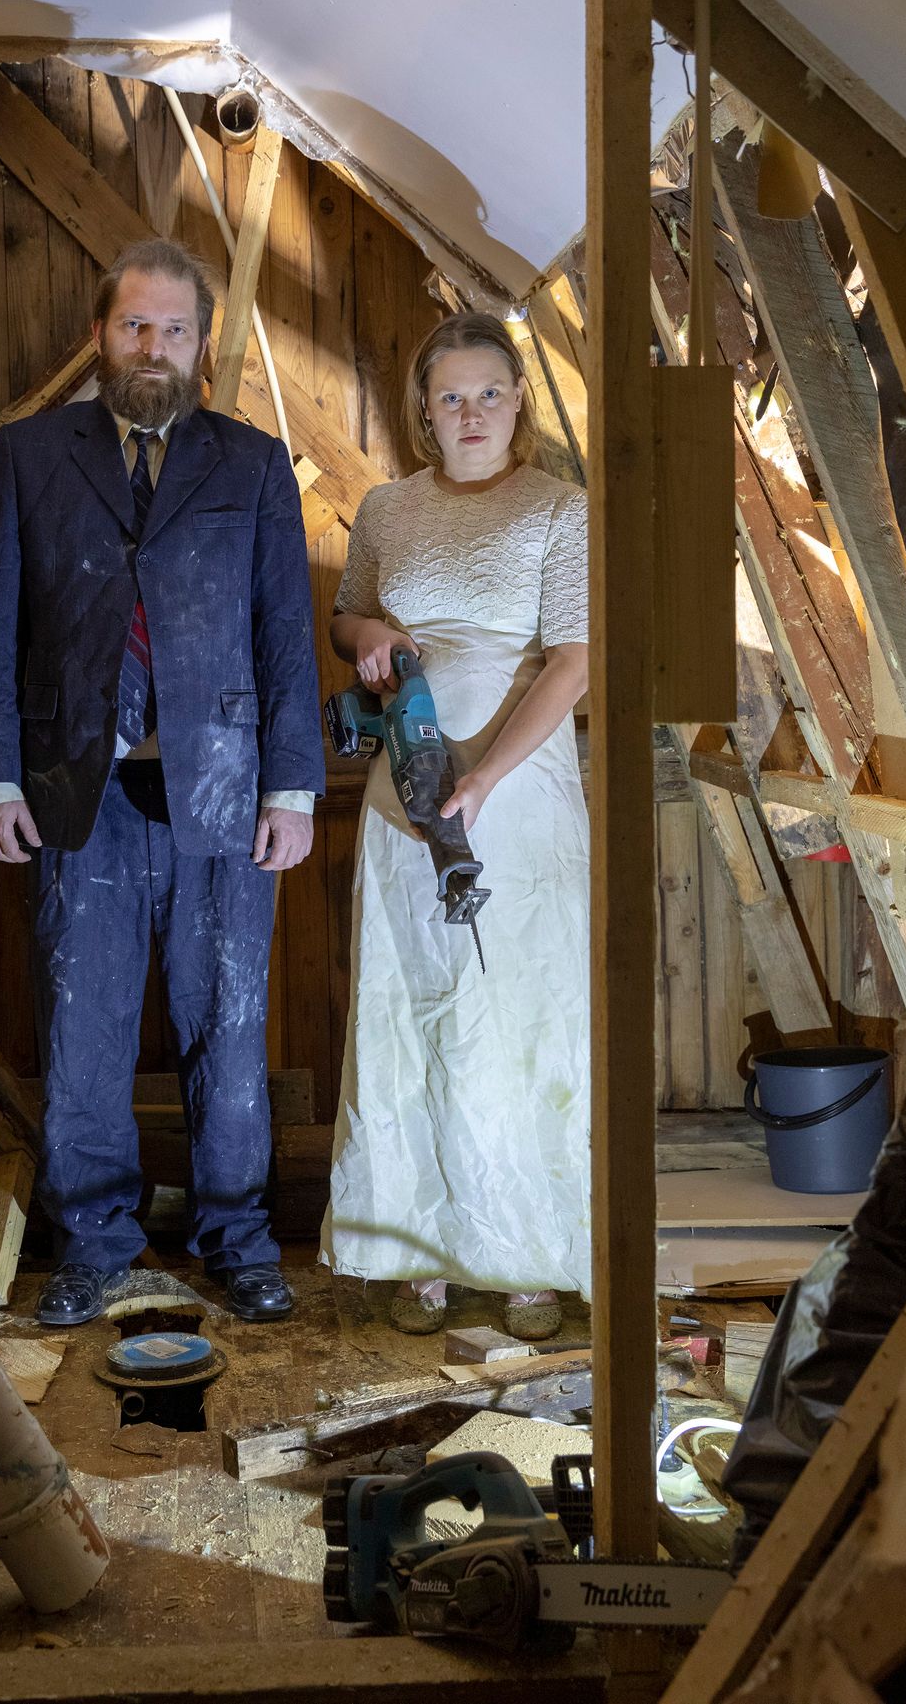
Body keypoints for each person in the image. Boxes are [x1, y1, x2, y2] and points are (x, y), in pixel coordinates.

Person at [0, 238, 324, 1328]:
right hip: (78, 795)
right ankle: (95, 1245)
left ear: (201, 345)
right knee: (85, 1025)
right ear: (99, 336)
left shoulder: (252, 464)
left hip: (224, 793)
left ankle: (240, 1241)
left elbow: (284, 636)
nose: (152, 347)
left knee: (229, 1025)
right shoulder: (29, 457)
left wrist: (294, 790)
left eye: (173, 329)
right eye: (134, 327)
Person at [320, 311, 591, 1339]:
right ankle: (417, 1254)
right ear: (424, 412)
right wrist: (373, 633)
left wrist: (482, 783)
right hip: (406, 788)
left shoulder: (559, 510)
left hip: (516, 797)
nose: (470, 412)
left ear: (517, 399)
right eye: (450, 398)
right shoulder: (388, 510)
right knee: (413, 1013)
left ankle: (526, 1258)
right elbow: (346, 614)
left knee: (514, 1012)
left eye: (488, 393)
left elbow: (572, 660)